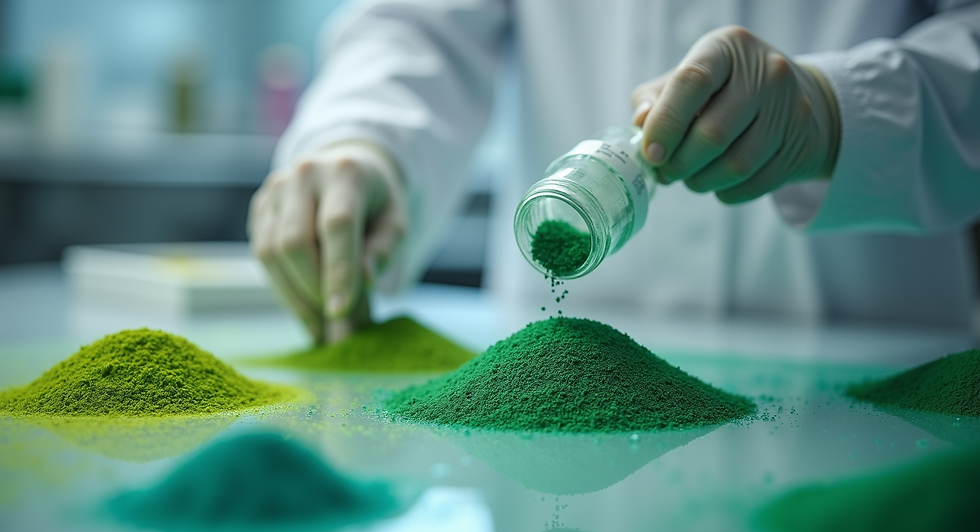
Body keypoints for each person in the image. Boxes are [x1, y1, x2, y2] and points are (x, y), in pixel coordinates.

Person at [249, 0, 980, 344]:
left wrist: (839, 108)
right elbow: (417, 26)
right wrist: (364, 139)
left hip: (870, 359)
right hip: (542, 402)